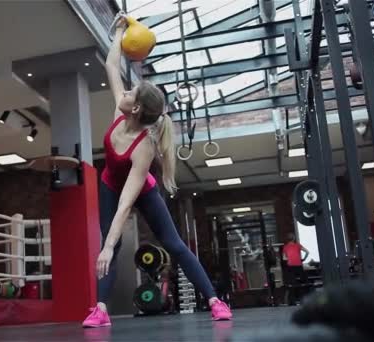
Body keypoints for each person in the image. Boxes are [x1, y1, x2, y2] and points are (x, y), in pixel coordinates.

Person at [82, 17, 232, 328]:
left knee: (174, 245)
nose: (123, 93)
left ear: (135, 109)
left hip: (141, 190)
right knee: (109, 245)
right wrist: (120, 32)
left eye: (130, 93)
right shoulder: (118, 113)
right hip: (110, 183)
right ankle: (100, 309)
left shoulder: (144, 146)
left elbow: (127, 202)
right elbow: (112, 66)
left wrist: (109, 245)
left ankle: (215, 301)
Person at [282, 233, 310, 305]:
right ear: (294, 239)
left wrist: (289, 258)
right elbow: (307, 252)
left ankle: (293, 301)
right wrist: (303, 259)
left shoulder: (285, 247)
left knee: (292, 284)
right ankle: (305, 299)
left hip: (290, 266)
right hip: (298, 266)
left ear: (287, 239)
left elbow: (284, 258)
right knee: (304, 282)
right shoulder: (298, 245)